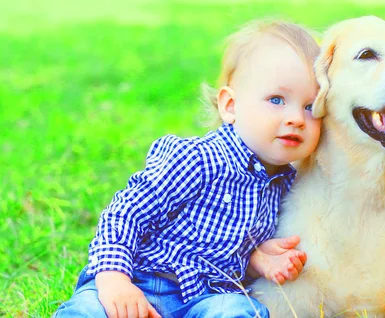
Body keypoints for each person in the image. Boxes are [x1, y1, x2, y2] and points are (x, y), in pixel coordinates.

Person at [53, 19, 321, 318]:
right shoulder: (198, 159)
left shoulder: (288, 183)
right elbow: (126, 214)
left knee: (242, 310)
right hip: (141, 281)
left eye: (311, 107)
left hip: (205, 298)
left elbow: (221, 250)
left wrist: (256, 258)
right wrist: (114, 279)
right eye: (276, 100)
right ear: (230, 106)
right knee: (90, 311)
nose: (296, 117)